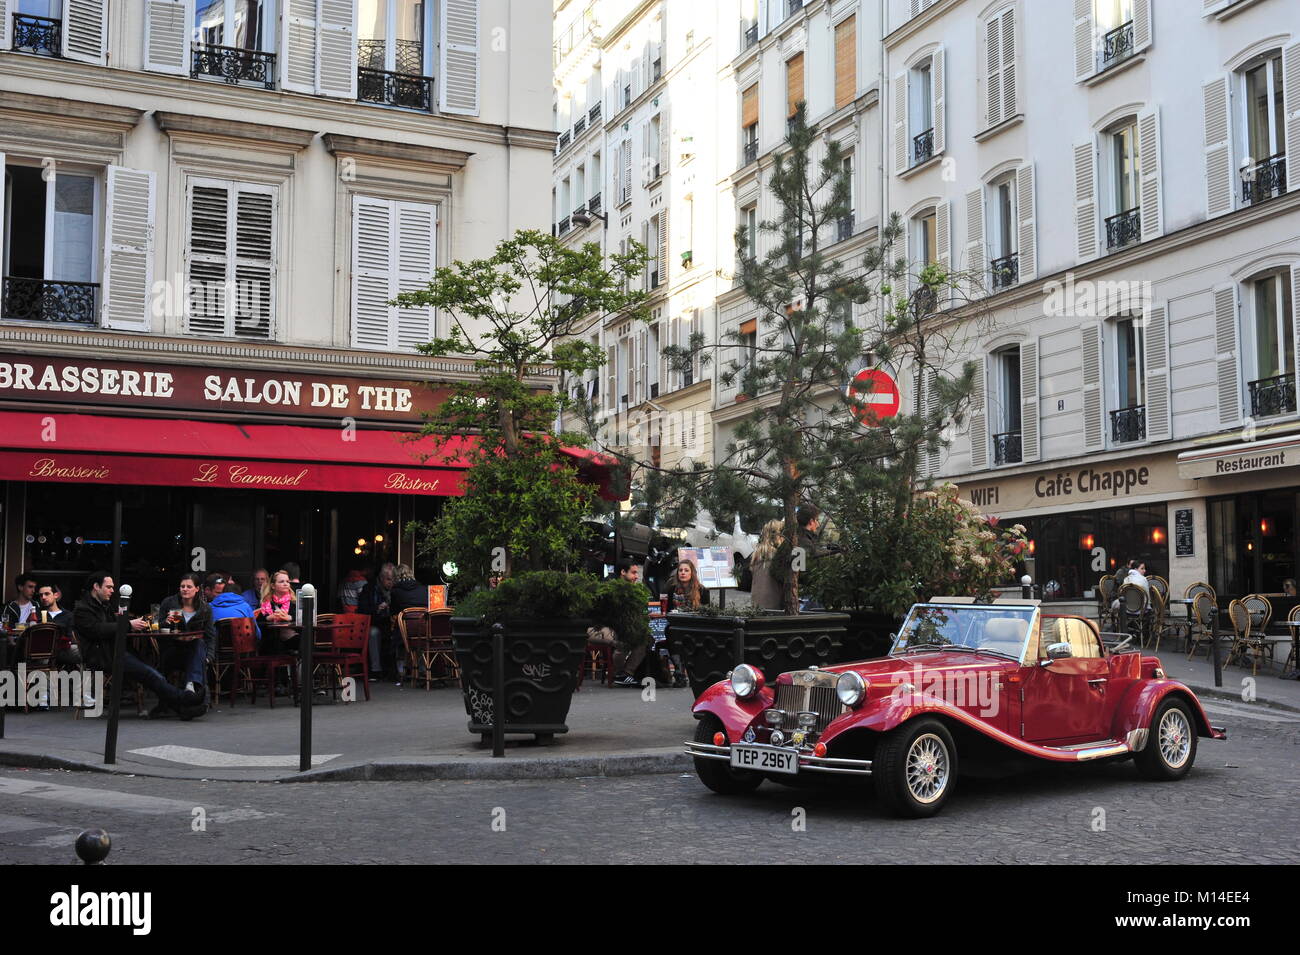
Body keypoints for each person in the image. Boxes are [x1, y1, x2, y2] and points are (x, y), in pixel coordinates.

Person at [73, 572, 202, 719]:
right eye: (108, 587)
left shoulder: (104, 606)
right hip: (102, 657)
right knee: (150, 674)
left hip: (115, 652)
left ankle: (182, 708)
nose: (112, 591)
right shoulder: (83, 609)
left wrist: (133, 623)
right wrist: (128, 624)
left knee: (153, 672)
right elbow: (97, 630)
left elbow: (112, 625)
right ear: (96, 587)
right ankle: (185, 699)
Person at [589, 558, 651, 688]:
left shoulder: (632, 590)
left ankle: (626, 673)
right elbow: (608, 616)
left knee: (644, 639)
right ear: (623, 572)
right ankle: (618, 673)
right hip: (598, 628)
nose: (636, 576)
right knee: (622, 640)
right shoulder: (609, 586)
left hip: (617, 627)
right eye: (633, 573)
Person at [158, 573, 216, 705]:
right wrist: (166, 622)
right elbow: (156, 628)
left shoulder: (205, 609)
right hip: (172, 651)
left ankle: (190, 686)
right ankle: (197, 695)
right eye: (182, 586)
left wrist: (209, 657)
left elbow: (210, 635)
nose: (185, 589)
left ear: (197, 589)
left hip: (194, 651)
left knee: (199, 644)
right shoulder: (169, 603)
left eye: (189, 586)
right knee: (198, 651)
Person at [358, 563, 395, 680]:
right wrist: (377, 609)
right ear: (382, 578)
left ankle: (398, 671)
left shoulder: (396, 590)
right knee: (373, 633)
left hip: (391, 623)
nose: (391, 582)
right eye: (389, 579)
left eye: (394, 579)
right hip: (374, 622)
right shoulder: (369, 589)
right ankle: (376, 670)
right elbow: (362, 611)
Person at [34, 582, 82, 669]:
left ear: (56, 595)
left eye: (47, 594)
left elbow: (71, 637)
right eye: (41, 595)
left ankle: (84, 680)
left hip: (61, 649)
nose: (43, 597)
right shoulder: (36, 614)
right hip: (41, 650)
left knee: (83, 651)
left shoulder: (68, 615)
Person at [256, 570, 298, 653]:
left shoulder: (294, 602)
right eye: (281, 582)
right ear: (273, 586)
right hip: (270, 641)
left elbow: (304, 620)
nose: (286, 584)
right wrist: (268, 617)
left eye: (287, 581)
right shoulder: (265, 603)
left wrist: (290, 617)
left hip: (291, 639)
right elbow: (256, 623)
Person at [748, 519, 785, 611]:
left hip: (757, 605)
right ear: (779, 536)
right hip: (774, 606)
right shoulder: (777, 555)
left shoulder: (758, 554)